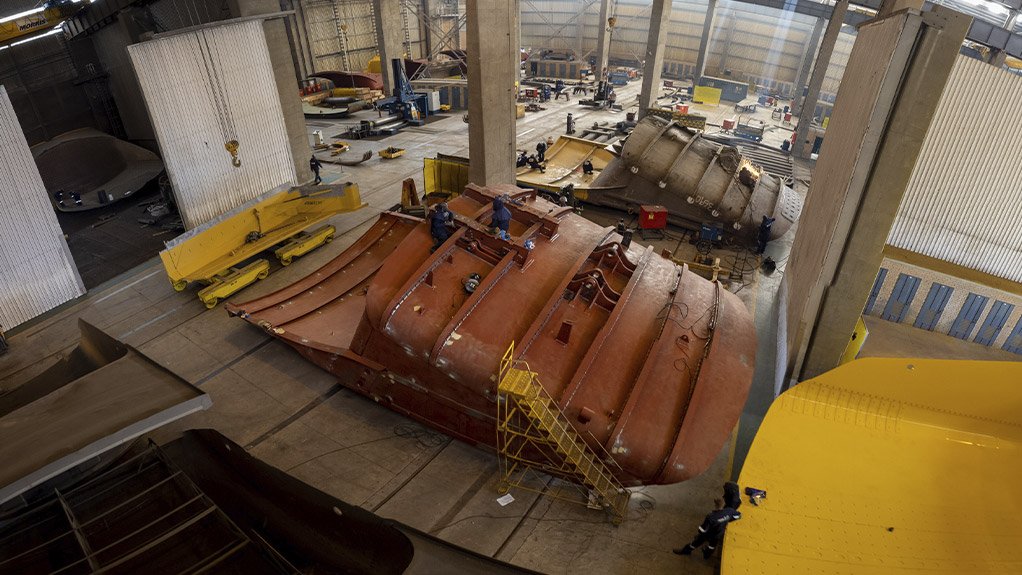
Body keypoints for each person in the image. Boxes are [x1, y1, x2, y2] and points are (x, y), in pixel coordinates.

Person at [674, 498, 741, 559]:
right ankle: (706, 555)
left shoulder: (711, 517)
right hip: (718, 533)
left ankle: (686, 551)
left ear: (715, 505)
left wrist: (699, 532)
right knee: (712, 545)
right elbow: (738, 516)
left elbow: (702, 530)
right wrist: (728, 519)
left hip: (708, 534)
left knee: (696, 542)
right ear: (724, 505)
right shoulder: (729, 510)